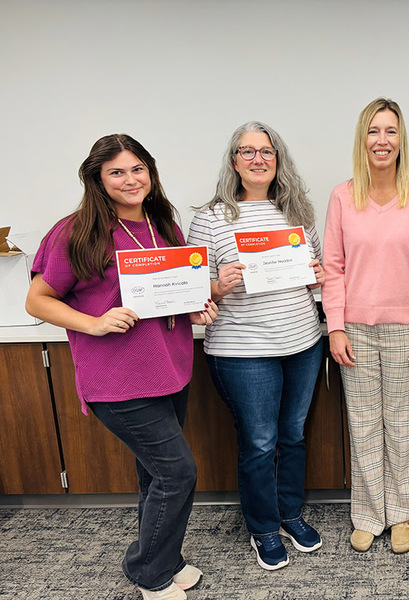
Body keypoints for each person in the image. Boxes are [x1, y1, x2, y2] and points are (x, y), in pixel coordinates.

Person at [25, 134, 218, 600]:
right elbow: (37, 300)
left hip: (170, 370)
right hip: (118, 380)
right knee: (178, 473)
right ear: (97, 178)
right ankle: (149, 572)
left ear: (149, 173)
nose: (130, 180)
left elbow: (170, 293)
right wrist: (93, 323)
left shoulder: (162, 224)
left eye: (137, 169)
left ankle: (164, 559)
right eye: (116, 172)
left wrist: (195, 308)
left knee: (155, 475)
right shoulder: (76, 231)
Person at [187, 122, 325, 571]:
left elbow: (315, 275)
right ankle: (264, 528)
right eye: (247, 151)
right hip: (243, 354)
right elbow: (189, 289)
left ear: (278, 159)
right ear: (234, 162)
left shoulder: (297, 212)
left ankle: (291, 514)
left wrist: (318, 276)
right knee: (261, 443)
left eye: (266, 151)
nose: (258, 159)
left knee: (294, 435)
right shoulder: (211, 217)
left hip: (303, 343)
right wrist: (217, 285)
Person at [322, 97, 409, 554]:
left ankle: (403, 514)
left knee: (402, 423)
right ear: (362, 139)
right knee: (364, 424)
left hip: (406, 330)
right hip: (353, 329)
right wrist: (335, 326)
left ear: (401, 139)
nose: (382, 140)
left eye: (390, 131)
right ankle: (369, 515)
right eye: (374, 131)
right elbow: (332, 268)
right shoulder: (341, 196)